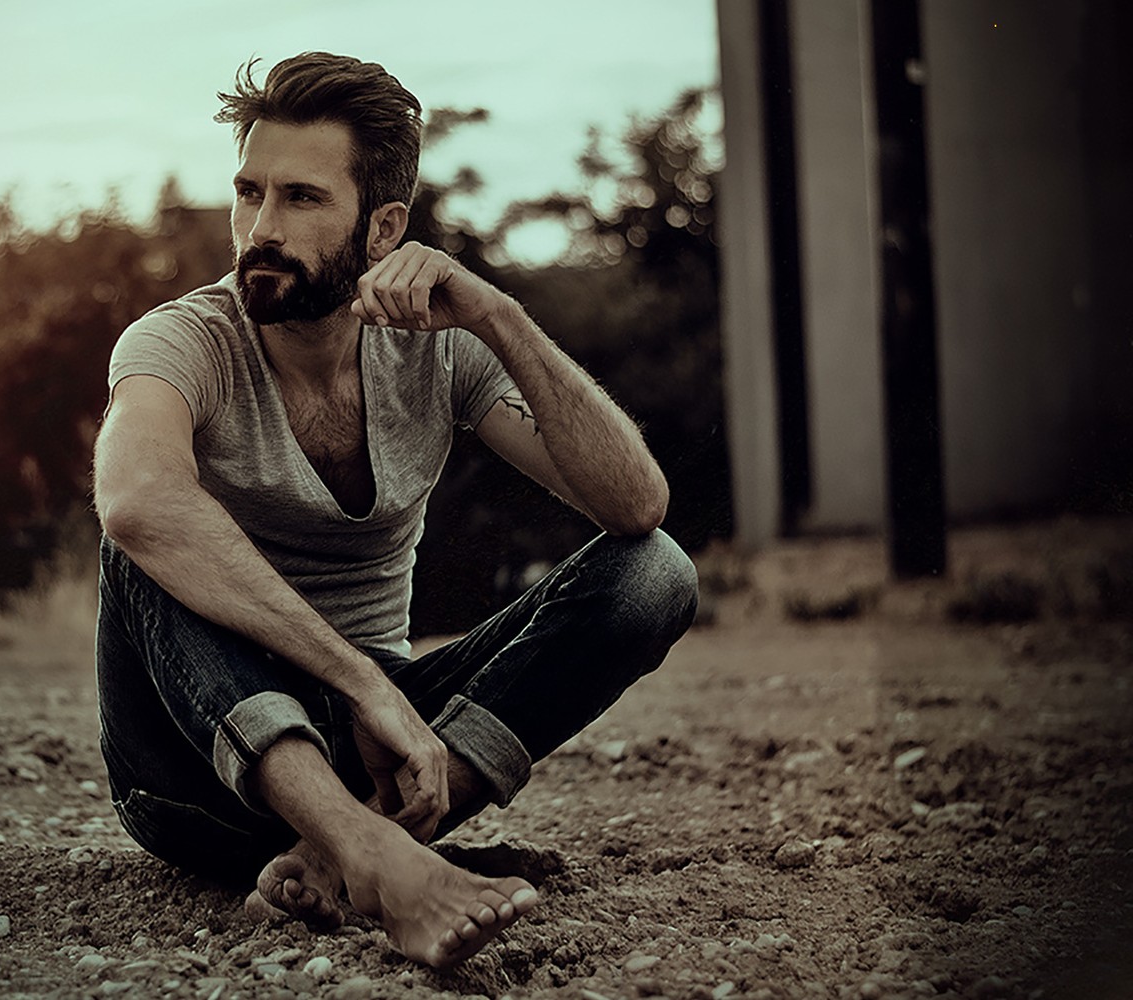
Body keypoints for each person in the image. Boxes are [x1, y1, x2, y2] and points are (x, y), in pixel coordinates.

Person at [91, 51, 698, 969]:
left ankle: (355, 840)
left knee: (656, 572)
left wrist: (499, 317)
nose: (259, 227)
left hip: (374, 753)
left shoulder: (439, 348)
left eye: (301, 199)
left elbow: (635, 503)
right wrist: (366, 680)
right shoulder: (183, 342)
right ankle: (372, 853)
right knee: (145, 529)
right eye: (247, 192)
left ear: (383, 228)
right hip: (193, 767)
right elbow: (136, 502)